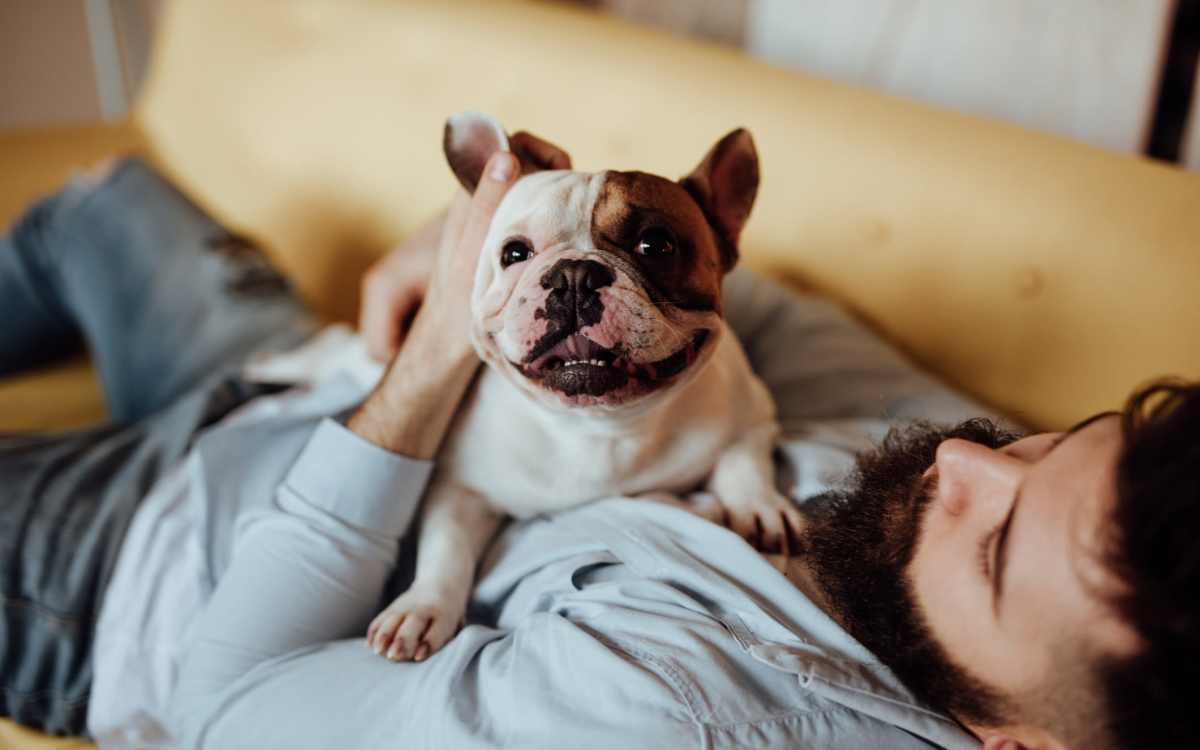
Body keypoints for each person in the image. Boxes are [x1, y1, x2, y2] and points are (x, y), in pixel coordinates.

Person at [0, 150, 1193, 750]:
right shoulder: (943, 476)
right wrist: (487, 248)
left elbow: (225, 709)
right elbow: (733, 294)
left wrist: (436, 355)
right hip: (299, 378)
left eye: (997, 541)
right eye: (1051, 442)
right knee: (105, 203)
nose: (965, 463)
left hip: (140, 565)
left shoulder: (657, 708)